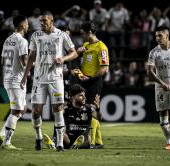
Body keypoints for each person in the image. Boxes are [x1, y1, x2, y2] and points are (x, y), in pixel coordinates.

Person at [20, 11, 77, 152]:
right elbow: (31, 56)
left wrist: (63, 59)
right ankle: (39, 138)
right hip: (39, 79)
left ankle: (59, 144)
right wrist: (25, 74)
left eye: (44, 21)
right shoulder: (35, 35)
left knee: (58, 110)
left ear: (52, 21)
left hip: (56, 79)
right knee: (35, 112)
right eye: (40, 21)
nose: (41, 23)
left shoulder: (61, 35)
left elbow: (74, 52)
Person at [0, 14, 29, 150]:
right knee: (16, 111)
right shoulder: (22, 41)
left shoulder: (8, 40)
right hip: (16, 80)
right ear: (23, 26)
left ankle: (2, 134)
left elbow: (2, 61)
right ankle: (6, 142)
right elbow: (24, 60)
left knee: (22, 109)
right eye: (27, 23)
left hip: (8, 78)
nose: (28, 26)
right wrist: (32, 66)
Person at [76, 20, 109, 149]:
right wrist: (79, 53)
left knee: (91, 109)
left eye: (82, 34)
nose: (81, 36)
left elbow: (104, 70)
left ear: (89, 32)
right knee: (87, 110)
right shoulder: (86, 45)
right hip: (84, 80)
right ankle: (99, 142)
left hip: (94, 81)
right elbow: (81, 60)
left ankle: (92, 142)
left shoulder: (101, 47)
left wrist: (89, 78)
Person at [44, 84, 102, 149]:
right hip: (69, 138)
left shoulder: (89, 109)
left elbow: (99, 118)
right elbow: (56, 113)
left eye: (84, 95)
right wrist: (57, 103)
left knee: (88, 138)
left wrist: (98, 109)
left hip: (83, 137)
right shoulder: (67, 108)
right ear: (73, 97)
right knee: (60, 130)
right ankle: (54, 142)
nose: (84, 97)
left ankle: (75, 145)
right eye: (81, 95)